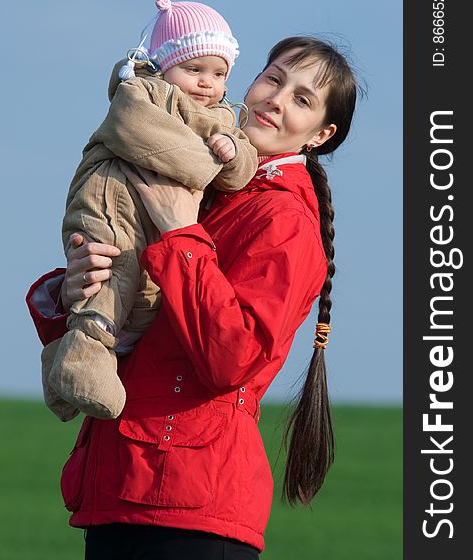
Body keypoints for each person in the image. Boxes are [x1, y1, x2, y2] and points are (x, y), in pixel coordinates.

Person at [26, 35, 359, 558]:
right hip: (125, 486)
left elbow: (233, 358)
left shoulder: (285, 220)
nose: (276, 99)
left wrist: (180, 231)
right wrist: (73, 290)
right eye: (273, 78)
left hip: (186, 504)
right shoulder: (207, 183)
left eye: (302, 98)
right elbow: (144, 321)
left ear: (321, 134)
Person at [43, 0, 258, 422]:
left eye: (218, 74)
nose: (205, 83)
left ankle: (65, 374)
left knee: (145, 299)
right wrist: (208, 163)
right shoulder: (139, 91)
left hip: (152, 222)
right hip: (111, 202)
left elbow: (241, 170)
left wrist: (232, 151)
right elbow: (139, 132)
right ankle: (82, 357)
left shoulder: (224, 119)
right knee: (111, 275)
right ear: (164, 66)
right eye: (193, 69)